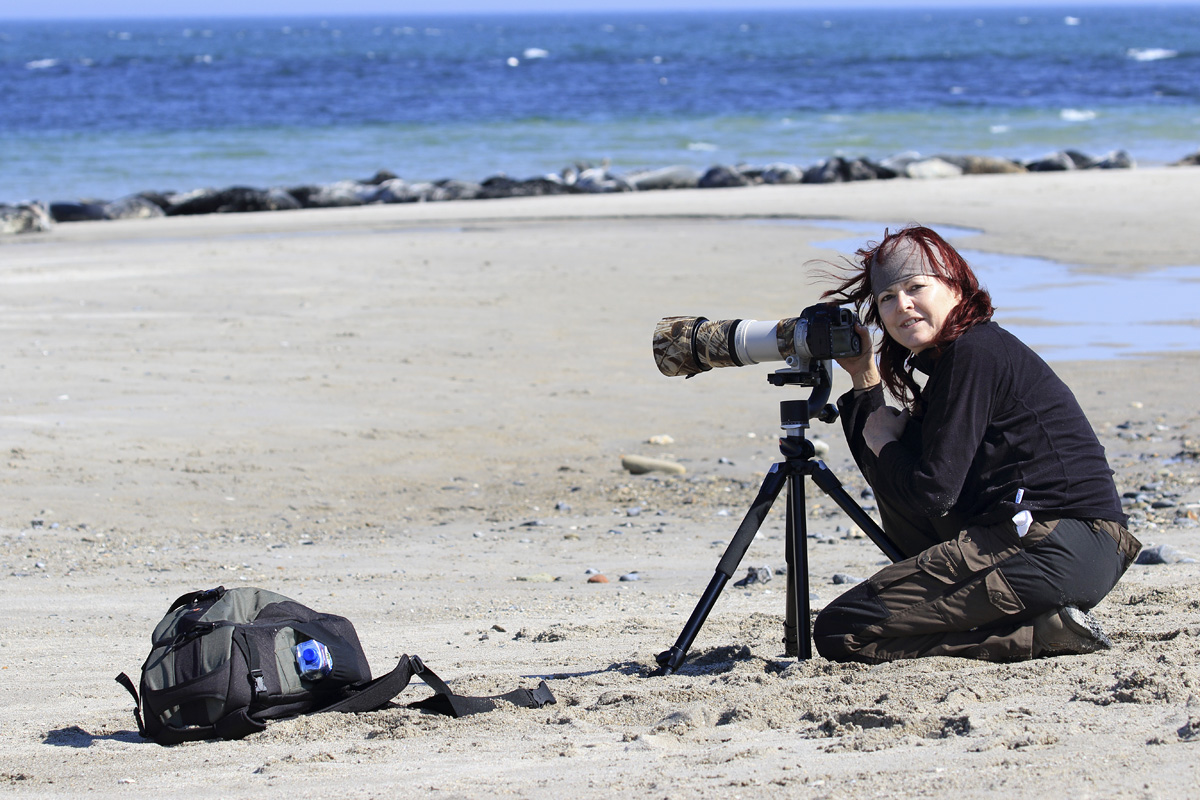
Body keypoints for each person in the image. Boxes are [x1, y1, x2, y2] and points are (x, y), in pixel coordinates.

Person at [812, 225, 1141, 663]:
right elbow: (894, 483)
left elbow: (932, 491)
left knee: (843, 630)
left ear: (955, 285)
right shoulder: (958, 359)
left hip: (1055, 543)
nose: (902, 305)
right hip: (1068, 546)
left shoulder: (976, 353)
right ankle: (1038, 624)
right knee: (903, 467)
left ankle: (1035, 637)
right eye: (887, 297)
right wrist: (863, 376)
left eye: (915, 287)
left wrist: (888, 446)